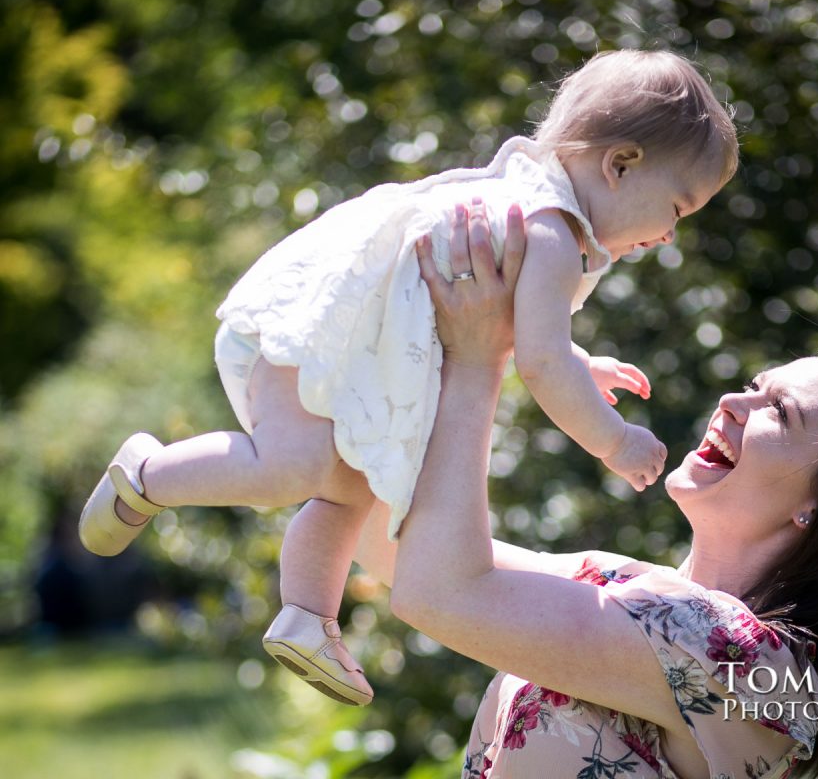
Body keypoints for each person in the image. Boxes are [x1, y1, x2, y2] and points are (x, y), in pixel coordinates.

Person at [78, 49, 738, 704]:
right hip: (331, 332)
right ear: (620, 164)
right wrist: (614, 440)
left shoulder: (539, 204)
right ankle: (147, 475)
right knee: (292, 466)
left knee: (355, 479)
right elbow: (539, 360)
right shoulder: (553, 232)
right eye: (678, 209)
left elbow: (531, 335)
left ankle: (308, 616)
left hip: (371, 361)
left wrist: (579, 363)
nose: (670, 237)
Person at [343, 204, 818, 777]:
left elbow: (440, 594)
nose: (735, 402)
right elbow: (392, 549)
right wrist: (411, 349)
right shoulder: (625, 585)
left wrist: (481, 357)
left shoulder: (749, 663)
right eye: (754, 385)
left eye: (779, 412)